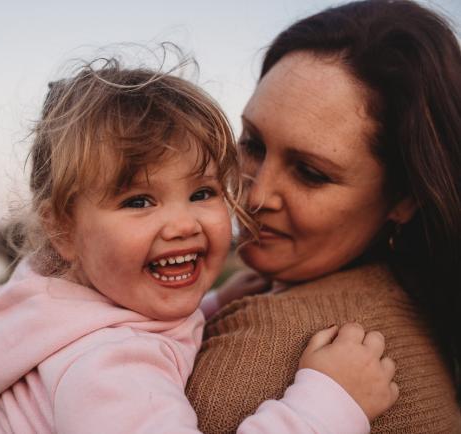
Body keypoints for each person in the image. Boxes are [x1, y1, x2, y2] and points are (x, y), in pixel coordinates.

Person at [0, 56, 398, 433]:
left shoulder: (61, 308)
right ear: (64, 232)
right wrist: (328, 404)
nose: (182, 224)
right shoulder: (108, 367)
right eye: (139, 201)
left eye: (202, 193)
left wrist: (215, 304)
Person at [186, 1, 461, 433]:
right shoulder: (412, 313)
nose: (255, 195)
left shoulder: (263, 357)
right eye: (253, 144)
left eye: (311, 173)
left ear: (404, 198)